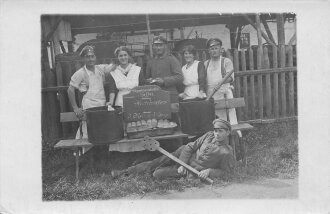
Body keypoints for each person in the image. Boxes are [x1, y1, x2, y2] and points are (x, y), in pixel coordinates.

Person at [111, 119, 236, 181]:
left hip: (191, 170)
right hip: (184, 155)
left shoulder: (226, 152)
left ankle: (146, 170)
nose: (217, 134)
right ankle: (126, 172)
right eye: (216, 130)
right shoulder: (209, 135)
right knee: (158, 161)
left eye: (221, 131)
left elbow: (227, 173)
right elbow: (189, 147)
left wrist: (209, 171)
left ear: (228, 132)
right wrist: (182, 162)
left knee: (157, 174)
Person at [67, 45, 116, 141]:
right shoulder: (80, 73)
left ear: (95, 57)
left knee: (102, 132)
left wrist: (115, 61)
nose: (90, 59)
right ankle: (86, 154)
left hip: (101, 105)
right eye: (87, 57)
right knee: (88, 133)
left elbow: (113, 66)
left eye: (92, 56)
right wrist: (75, 108)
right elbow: (70, 89)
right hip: (88, 107)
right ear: (83, 59)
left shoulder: (100, 69)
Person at [204, 38, 241, 138]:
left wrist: (221, 82)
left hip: (224, 94)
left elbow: (230, 78)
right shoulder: (206, 64)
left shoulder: (226, 61)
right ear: (208, 51)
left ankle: (231, 143)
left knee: (228, 121)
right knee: (215, 122)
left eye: (216, 48)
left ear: (221, 49)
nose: (214, 51)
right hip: (211, 95)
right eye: (212, 49)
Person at [145, 35, 183, 102]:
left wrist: (164, 81)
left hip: (170, 96)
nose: (158, 48)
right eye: (156, 45)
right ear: (153, 47)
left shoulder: (172, 59)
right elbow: (147, 78)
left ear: (165, 46)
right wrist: (149, 81)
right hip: (155, 96)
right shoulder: (150, 62)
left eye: (160, 45)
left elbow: (179, 77)